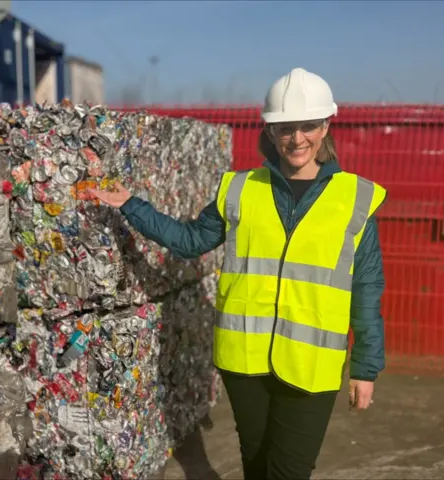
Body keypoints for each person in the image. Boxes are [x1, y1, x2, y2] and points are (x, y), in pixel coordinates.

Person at [88, 67, 386, 480]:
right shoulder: (240, 189)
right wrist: (131, 205)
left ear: (325, 126)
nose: (297, 138)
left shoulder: (356, 199)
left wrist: (366, 367)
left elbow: (367, 289)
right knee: (256, 462)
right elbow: (190, 240)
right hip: (244, 363)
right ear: (270, 130)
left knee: (288, 471)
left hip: (312, 366)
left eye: (308, 126)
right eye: (285, 128)